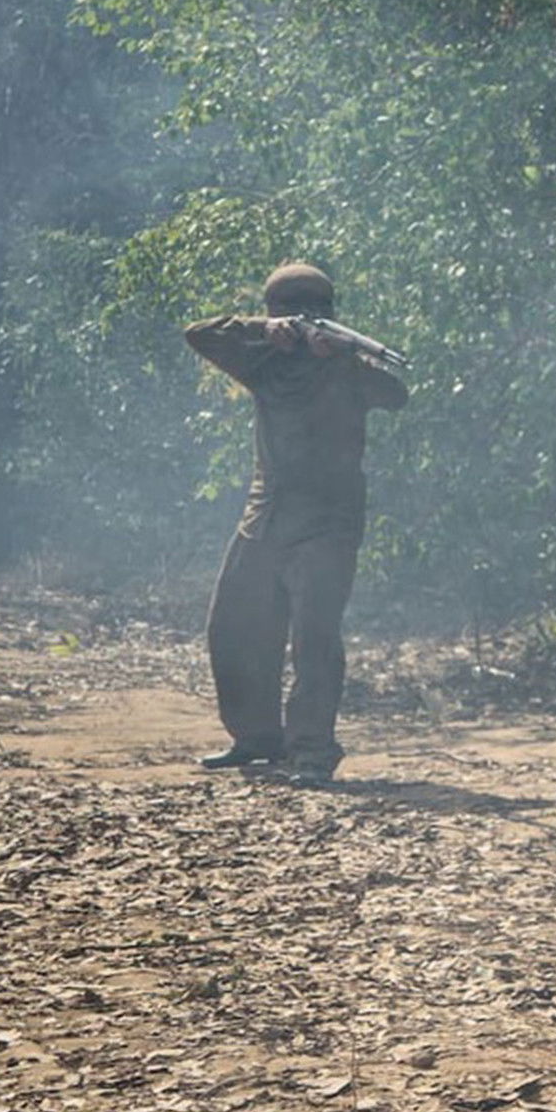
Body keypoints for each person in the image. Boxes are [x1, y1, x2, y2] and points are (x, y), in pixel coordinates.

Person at [185, 263, 409, 785]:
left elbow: (396, 395)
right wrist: (265, 332)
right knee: (235, 626)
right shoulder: (262, 360)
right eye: (292, 313)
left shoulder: (347, 366)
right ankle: (257, 737)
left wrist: (344, 358)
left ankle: (312, 752)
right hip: (264, 518)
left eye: (314, 311)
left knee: (314, 639)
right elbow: (199, 334)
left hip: (327, 525)